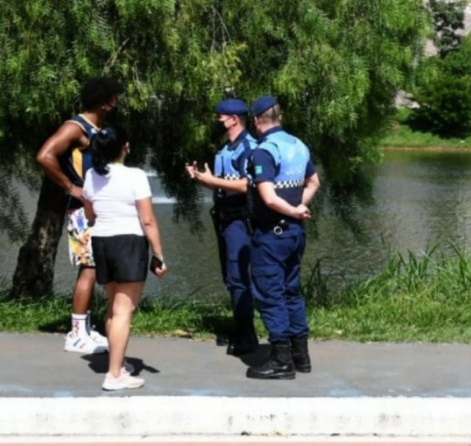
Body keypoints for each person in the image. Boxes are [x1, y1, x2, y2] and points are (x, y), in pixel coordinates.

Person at [36, 76, 124, 354]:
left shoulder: (96, 128)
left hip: (96, 208)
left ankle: (85, 328)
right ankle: (75, 334)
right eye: (114, 97)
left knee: (94, 267)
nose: (117, 102)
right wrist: (70, 186)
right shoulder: (75, 128)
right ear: (105, 100)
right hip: (82, 210)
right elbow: (45, 155)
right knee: (89, 268)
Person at [82, 125, 167, 391]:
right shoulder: (135, 176)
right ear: (124, 148)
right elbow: (148, 220)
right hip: (128, 242)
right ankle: (114, 374)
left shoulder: (90, 175)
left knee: (113, 306)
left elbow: (90, 214)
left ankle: (116, 363)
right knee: (124, 310)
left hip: (102, 241)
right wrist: (159, 255)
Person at [244, 96, 320, 380]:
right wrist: (300, 207)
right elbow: (314, 182)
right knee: (291, 290)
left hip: (271, 234)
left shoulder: (264, 151)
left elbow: (268, 197)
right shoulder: (298, 145)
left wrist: (293, 210)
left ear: (256, 121)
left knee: (269, 292)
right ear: (279, 116)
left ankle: (281, 361)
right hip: (294, 235)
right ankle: (301, 355)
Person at [185, 98, 259, 355]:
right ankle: (240, 328)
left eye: (220, 117)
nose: (216, 122)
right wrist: (201, 179)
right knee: (230, 277)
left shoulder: (250, 147)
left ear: (233, 119)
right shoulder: (223, 150)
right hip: (224, 218)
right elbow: (221, 185)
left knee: (240, 277)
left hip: (241, 219)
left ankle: (247, 335)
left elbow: (246, 184)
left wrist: (213, 180)